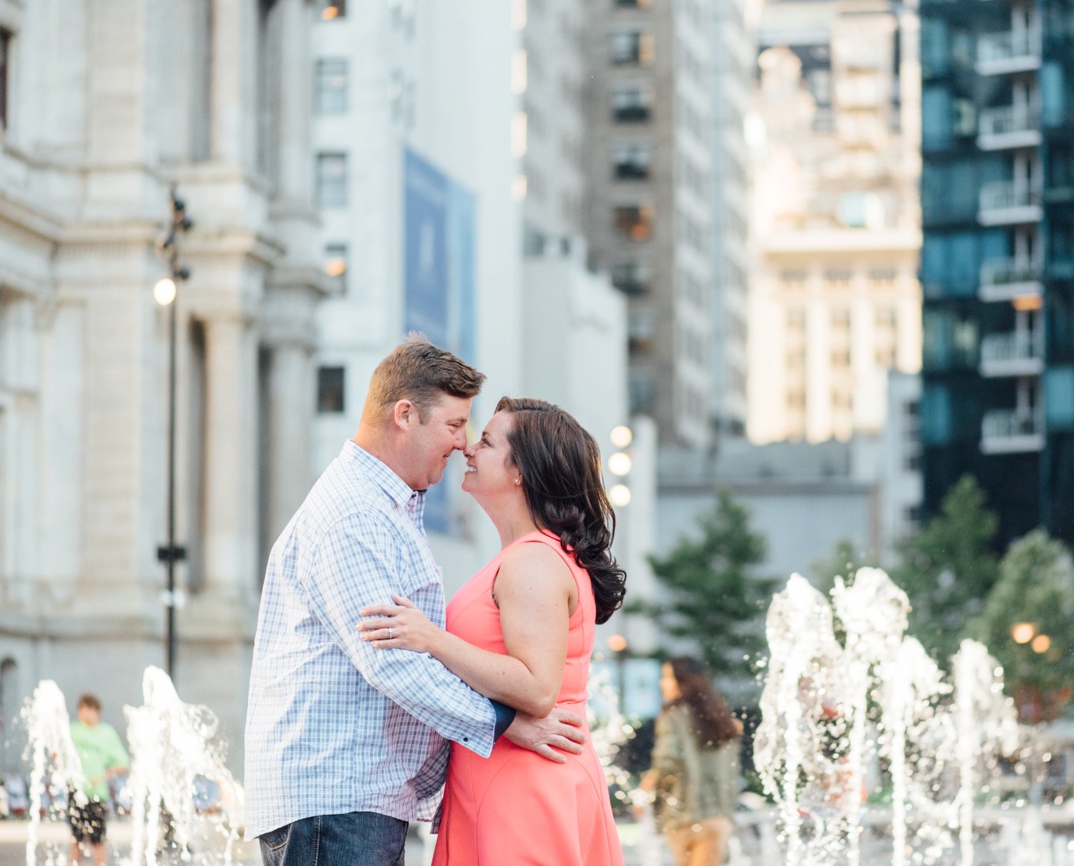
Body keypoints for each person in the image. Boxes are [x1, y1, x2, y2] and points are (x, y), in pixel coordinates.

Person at [244, 339, 587, 866]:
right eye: (454, 425)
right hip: (336, 799)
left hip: (355, 801)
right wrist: (505, 724)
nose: (462, 444)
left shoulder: (388, 507)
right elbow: (395, 663)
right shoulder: (354, 515)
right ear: (405, 415)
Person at [358, 396, 627, 865]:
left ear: (522, 471)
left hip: (524, 786)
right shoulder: (528, 556)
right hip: (509, 777)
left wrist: (431, 639)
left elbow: (537, 687)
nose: (468, 449)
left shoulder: (534, 562)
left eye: (485, 441)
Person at [638, 658, 741, 866]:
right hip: (719, 817)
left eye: (667, 677)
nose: (662, 683)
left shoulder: (673, 715)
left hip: (684, 815)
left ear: (683, 681)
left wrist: (647, 787)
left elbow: (668, 761)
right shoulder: (721, 718)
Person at [67, 694, 129, 866]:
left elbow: (124, 763)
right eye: (83, 710)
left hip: (97, 794)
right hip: (76, 790)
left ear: (97, 712)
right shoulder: (72, 730)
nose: (86, 714)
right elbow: (58, 752)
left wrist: (104, 774)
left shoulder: (106, 733)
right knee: (76, 839)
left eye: (90, 710)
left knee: (98, 840)